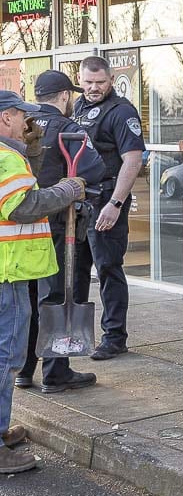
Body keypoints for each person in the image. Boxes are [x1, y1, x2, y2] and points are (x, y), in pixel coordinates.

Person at [0, 90, 87, 473]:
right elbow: (24, 206)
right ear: (6, 118)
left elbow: (19, 191)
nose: (27, 123)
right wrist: (67, 190)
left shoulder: (10, 155)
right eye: (21, 117)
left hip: (9, 272)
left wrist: (29, 150)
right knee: (7, 358)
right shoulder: (5, 158)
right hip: (8, 273)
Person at [16, 71, 106, 393]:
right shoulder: (69, 129)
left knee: (25, 297)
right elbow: (95, 170)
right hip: (54, 226)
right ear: (66, 96)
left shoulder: (21, 126)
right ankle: (56, 373)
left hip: (19, 229)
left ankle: (24, 370)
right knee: (53, 296)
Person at [72, 56, 146, 361]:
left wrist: (115, 204)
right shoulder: (78, 107)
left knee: (107, 269)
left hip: (106, 201)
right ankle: (72, 335)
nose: (93, 88)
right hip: (79, 203)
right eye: (87, 82)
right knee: (75, 272)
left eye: (99, 82)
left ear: (111, 79)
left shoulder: (122, 112)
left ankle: (114, 337)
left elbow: (133, 159)